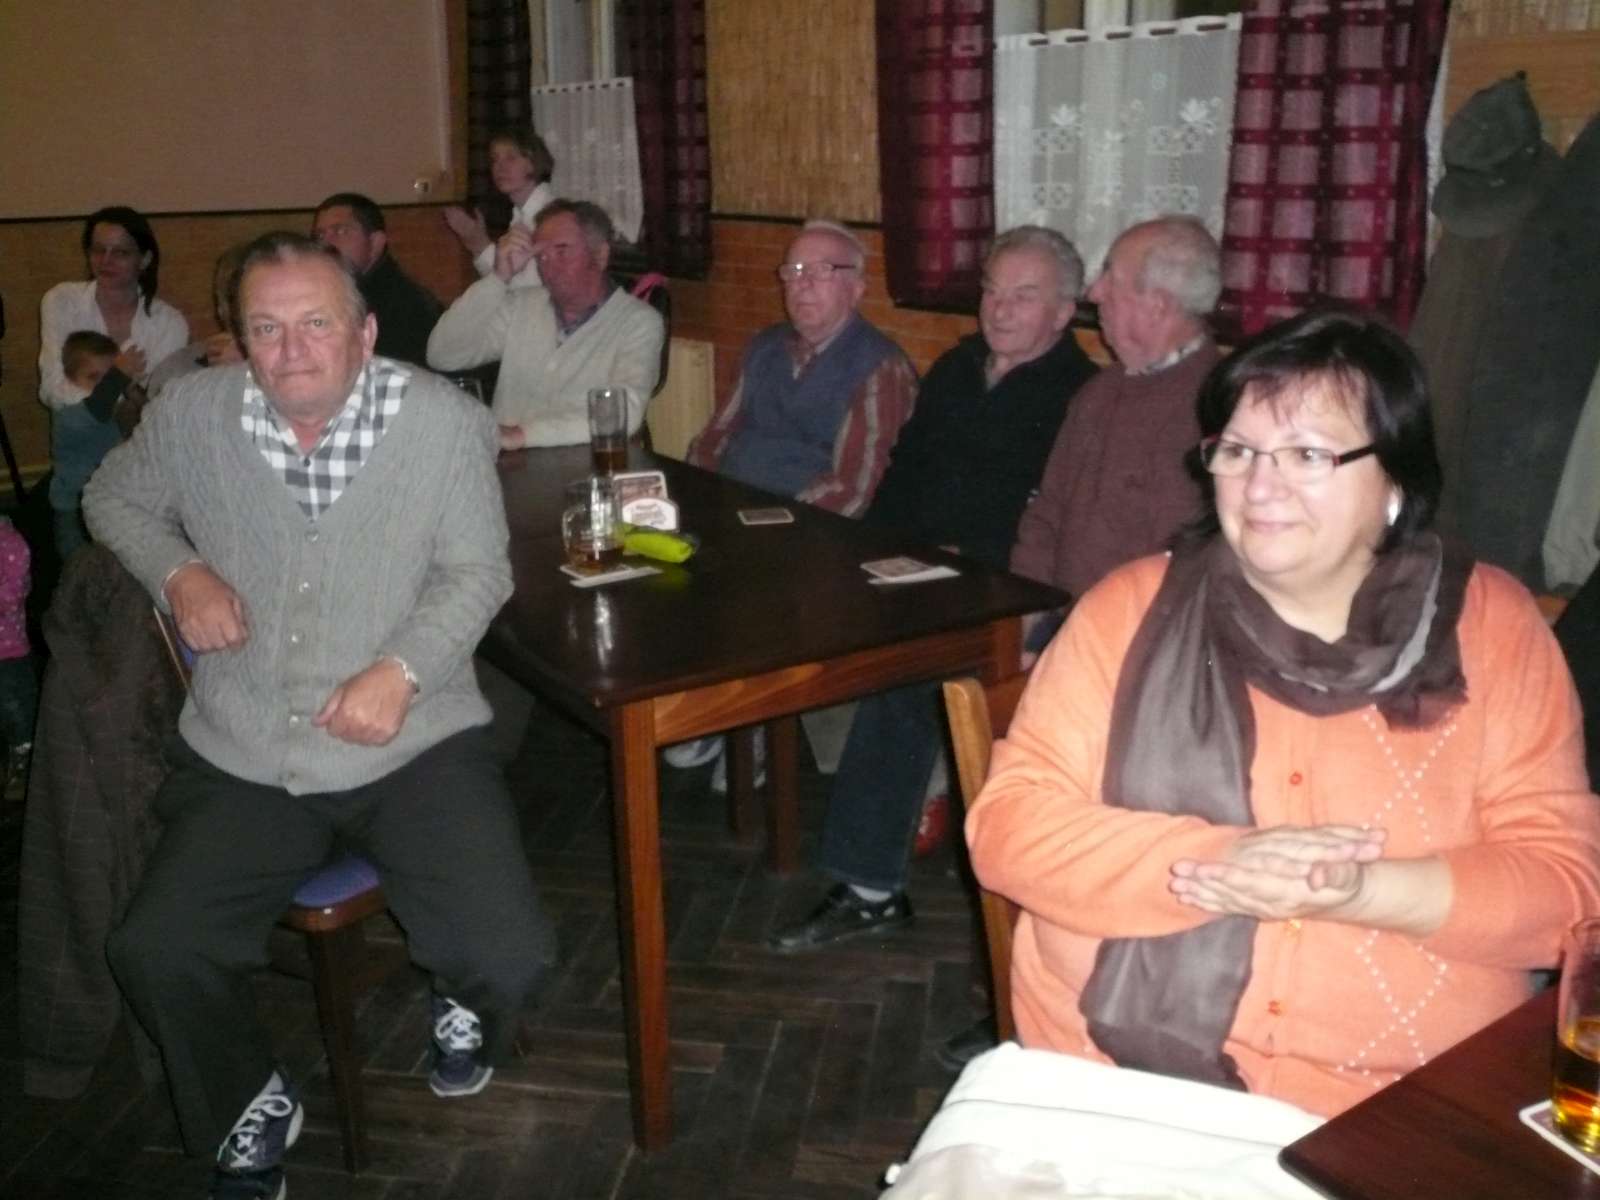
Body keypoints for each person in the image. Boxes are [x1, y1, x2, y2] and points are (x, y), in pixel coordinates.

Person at [967, 307, 1600, 1119]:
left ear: (1396, 481)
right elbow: (1009, 829)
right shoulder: (1128, 609)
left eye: (1307, 454)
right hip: (1114, 1080)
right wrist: (1221, 862)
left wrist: (1357, 890)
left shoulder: (1495, 629)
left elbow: (1569, 891)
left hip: (1403, 1111)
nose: (1260, 487)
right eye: (1237, 451)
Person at [84, 232, 554, 1199]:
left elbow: (479, 572)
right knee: (156, 948)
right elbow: (110, 497)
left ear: (365, 332)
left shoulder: (442, 423)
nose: (291, 349)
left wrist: (402, 671)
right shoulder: (192, 413)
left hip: (415, 742)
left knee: (510, 957)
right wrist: (180, 572)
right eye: (266, 328)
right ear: (239, 337)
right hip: (249, 746)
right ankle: (247, 1097)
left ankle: (464, 998)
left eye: (315, 324)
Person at [767, 226, 1097, 952]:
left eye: (1023, 296)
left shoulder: (1081, 396)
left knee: (907, 674)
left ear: (1064, 310)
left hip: (1006, 586)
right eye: (992, 290)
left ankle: (869, 889)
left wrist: (958, 561)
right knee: (803, 603)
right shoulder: (957, 367)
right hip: (916, 564)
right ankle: (772, 780)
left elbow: (1055, 527)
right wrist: (873, 551)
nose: (999, 309)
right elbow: (904, 472)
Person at [1012, 216, 1223, 623]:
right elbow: (1046, 514)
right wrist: (1024, 616)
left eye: (1110, 277)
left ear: (1157, 304)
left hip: (1135, 635)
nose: (1094, 292)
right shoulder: (1099, 391)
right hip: (1059, 617)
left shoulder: (1213, 408)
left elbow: (1179, 572)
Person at [686, 219, 916, 516]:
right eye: (793, 271)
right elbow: (713, 438)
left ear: (857, 288)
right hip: (727, 506)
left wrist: (763, 522)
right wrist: (701, 498)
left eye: (822, 270)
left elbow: (852, 489)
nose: (802, 283)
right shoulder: (764, 346)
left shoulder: (880, 367)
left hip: (806, 527)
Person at [428, 199, 663, 450]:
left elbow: (624, 411)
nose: (548, 264)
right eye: (541, 255)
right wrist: (498, 278)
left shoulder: (638, 322)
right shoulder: (521, 305)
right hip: (504, 464)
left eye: (562, 251)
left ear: (600, 255)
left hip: (581, 465)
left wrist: (520, 435)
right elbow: (443, 355)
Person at [39, 206, 189, 559]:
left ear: (145, 259)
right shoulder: (62, 301)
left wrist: (102, 394)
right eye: (98, 249)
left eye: (120, 252)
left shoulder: (168, 322)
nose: (105, 260)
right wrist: (120, 386)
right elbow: (54, 392)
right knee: (79, 564)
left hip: (140, 473)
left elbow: (159, 411)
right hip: (78, 467)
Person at [313, 192, 443, 366]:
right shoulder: (332, 295)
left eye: (341, 231)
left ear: (375, 243)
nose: (326, 243)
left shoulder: (405, 308)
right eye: (320, 235)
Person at [443, 124, 555, 290]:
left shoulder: (549, 217)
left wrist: (479, 243)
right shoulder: (520, 214)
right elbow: (500, 283)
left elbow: (526, 291)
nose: (500, 167)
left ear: (533, 163)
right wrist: (476, 242)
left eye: (511, 158)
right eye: (494, 159)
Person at [146, 243, 250, 400]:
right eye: (234, 298)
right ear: (220, 308)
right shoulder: (178, 369)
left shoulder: (286, 360)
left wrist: (246, 371)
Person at [0, 515, 36, 801]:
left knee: (15, 707)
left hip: (7, 652)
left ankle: (25, 757)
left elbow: (13, 595)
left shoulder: (10, 543)